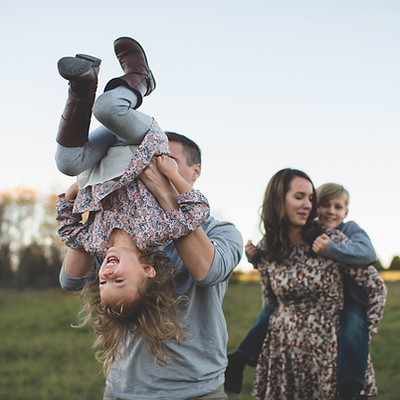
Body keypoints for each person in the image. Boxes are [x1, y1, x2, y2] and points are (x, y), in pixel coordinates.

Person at [58, 37, 243, 400]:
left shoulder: (222, 231)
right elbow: (69, 279)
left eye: (164, 159)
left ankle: (86, 88)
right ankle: (137, 78)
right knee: (87, 140)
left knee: (67, 160)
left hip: (196, 392)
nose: (141, 165)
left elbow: (208, 271)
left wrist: (81, 192)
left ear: (195, 171)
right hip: (123, 390)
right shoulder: (123, 242)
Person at [236, 168, 385, 399]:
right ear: (277, 200)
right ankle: (238, 360)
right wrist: (255, 259)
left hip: (331, 355)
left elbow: (375, 286)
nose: (308, 205)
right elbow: (269, 301)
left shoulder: (330, 240)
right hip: (285, 355)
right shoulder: (268, 246)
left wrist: (366, 330)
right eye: (299, 197)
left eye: (311, 199)